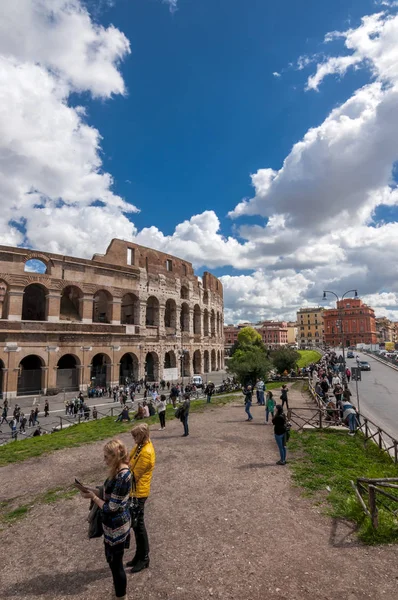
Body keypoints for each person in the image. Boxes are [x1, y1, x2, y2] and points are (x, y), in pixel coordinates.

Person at [79, 439, 131, 599]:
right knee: (112, 561)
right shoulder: (117, 471)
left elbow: (111, 507)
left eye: (106, 457)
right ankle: (118, 591)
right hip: (112, 526)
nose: (104, 460)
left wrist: (93, 497)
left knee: (117, 565)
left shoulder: (124, 476)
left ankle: (121, 596)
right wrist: (92, 490)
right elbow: (108, 492)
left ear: (115, 456)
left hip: (117, 526)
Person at [127, 424, 156, 573]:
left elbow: (134, 476)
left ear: (142, 436)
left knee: (139, 526)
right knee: (136, 526)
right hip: (134, 492)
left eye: (135, 436)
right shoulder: (140, 446)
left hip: (138, 493)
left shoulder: (146, 452)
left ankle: (144, 558)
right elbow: (129, 459)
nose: (133, 439)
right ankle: (139, 555)